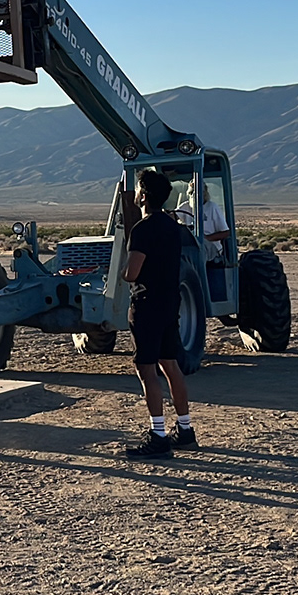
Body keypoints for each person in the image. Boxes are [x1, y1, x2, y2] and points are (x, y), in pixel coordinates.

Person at [123, 168, 193, 458]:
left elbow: (132, 272)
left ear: (143, 195)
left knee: (147, 370)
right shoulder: (172, 226)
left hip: (147, 304)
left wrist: (124, 272)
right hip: (169, 302)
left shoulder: (144, 229)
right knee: (170, 365)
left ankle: (158, 434)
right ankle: (185, 429)